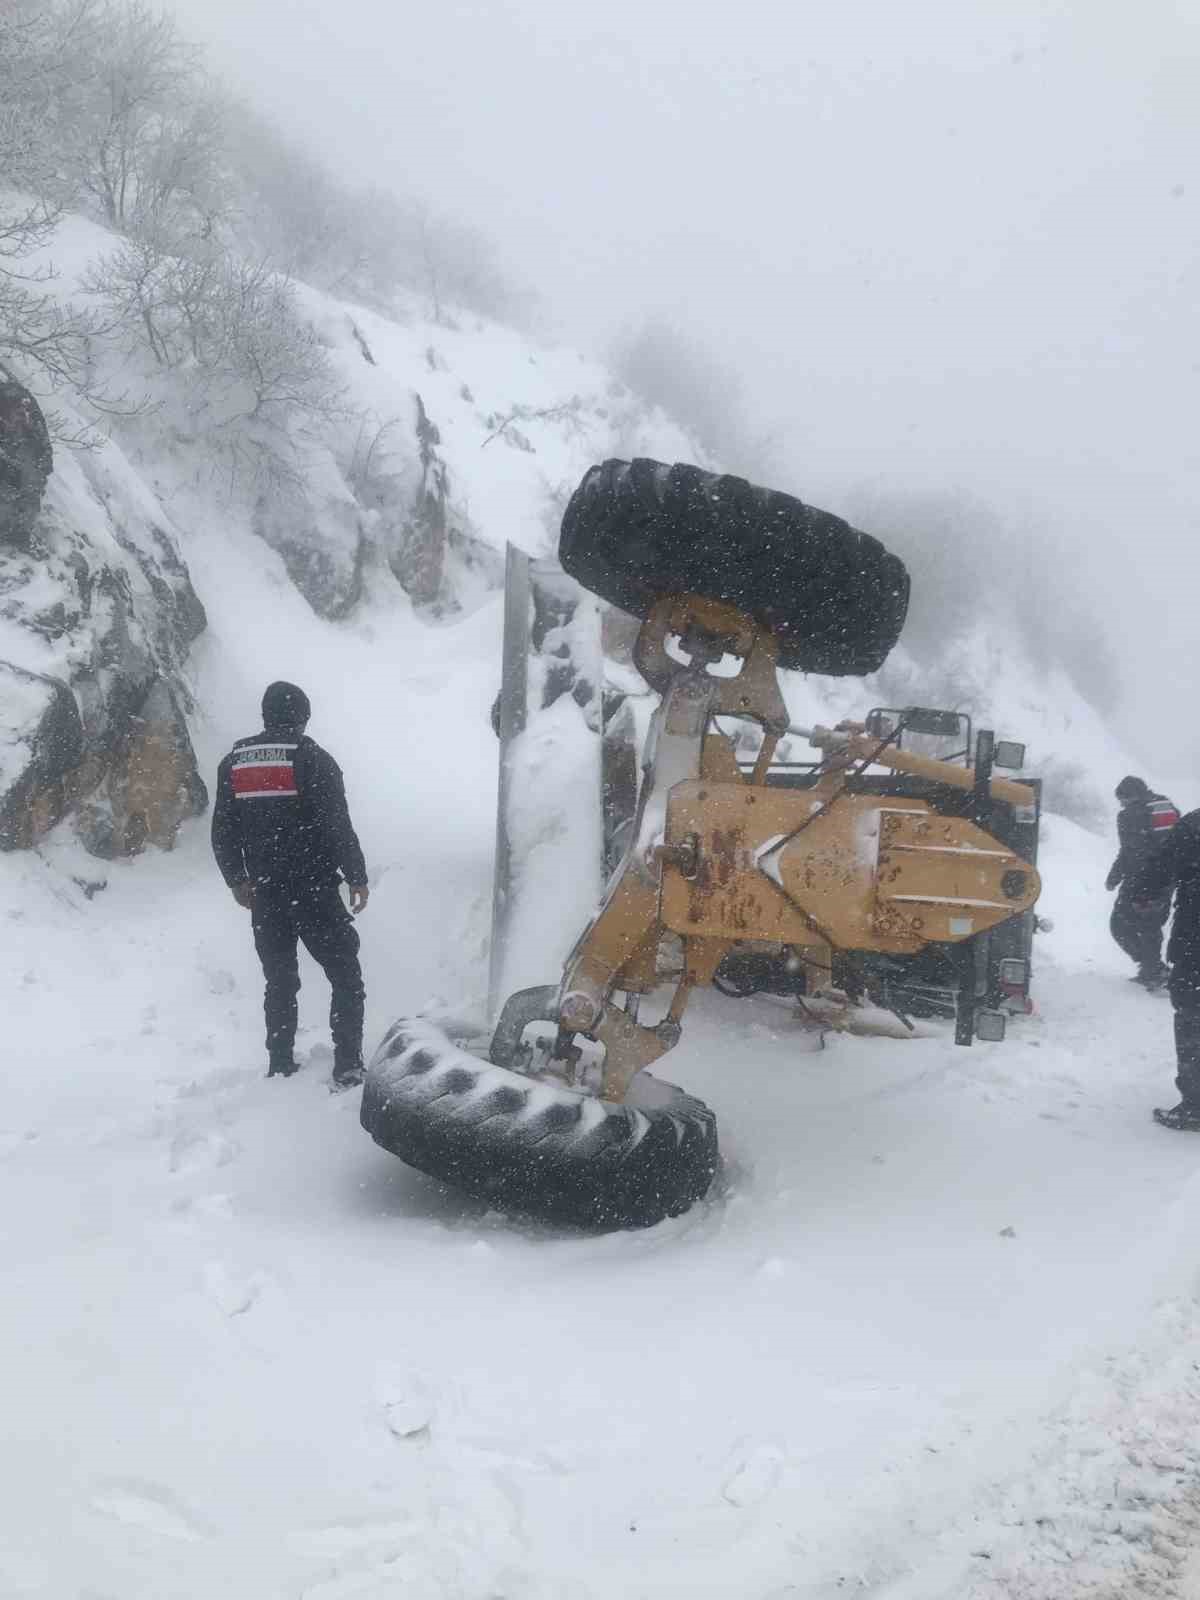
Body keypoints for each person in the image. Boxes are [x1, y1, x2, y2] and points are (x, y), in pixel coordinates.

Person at [211, 681, 369, 1087]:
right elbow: (337, 825)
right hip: (313, 889)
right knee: (345, 976)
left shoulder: (235, 763)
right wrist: (356, 875)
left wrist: (236, 879)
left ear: (266, 715)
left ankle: (280, 1062)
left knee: (279, 980)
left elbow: (223, 831)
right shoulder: (313, 758)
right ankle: (348, 1065)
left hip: (265, 893)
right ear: (301, 716)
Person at [1134, 805, 1200, 1130]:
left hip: (1196, 939)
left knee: (1192, 1015)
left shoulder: (1194, 825)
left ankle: (1196, 1106)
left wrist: (1142, 893)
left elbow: (1159, 867)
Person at [1105, 775, 1179, 987]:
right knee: (1150, 925)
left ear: (1131, 796)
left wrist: (1114, 877)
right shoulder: (1165, 806)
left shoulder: (1130, 815)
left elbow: (1130, 851)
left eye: (1122, 799)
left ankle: (1153, 969)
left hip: (1142, 878)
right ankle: (1152, 968)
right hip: (1166, 878)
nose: (1121, 804)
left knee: (1120, 925)